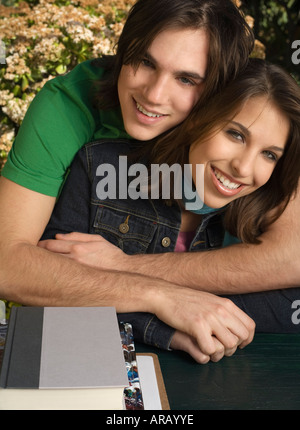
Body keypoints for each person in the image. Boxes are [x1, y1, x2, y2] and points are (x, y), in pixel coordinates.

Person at [0, 0, 257, 363]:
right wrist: (159, 295)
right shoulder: (68, 105)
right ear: (124, 52)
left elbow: (290, 256)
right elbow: (7, 263)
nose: (153, 94)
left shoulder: (251, 127)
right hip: (68, 349)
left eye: (186, 79)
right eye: (144, 62)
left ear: (217, 92)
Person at [40, 59, 300, 362]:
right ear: (198, 118)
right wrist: (167, 321)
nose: (244, 168)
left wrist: (122, 278)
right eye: (235, 135)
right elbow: (47, 286)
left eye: (269, 154)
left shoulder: (264, 208)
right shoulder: (103, 169)